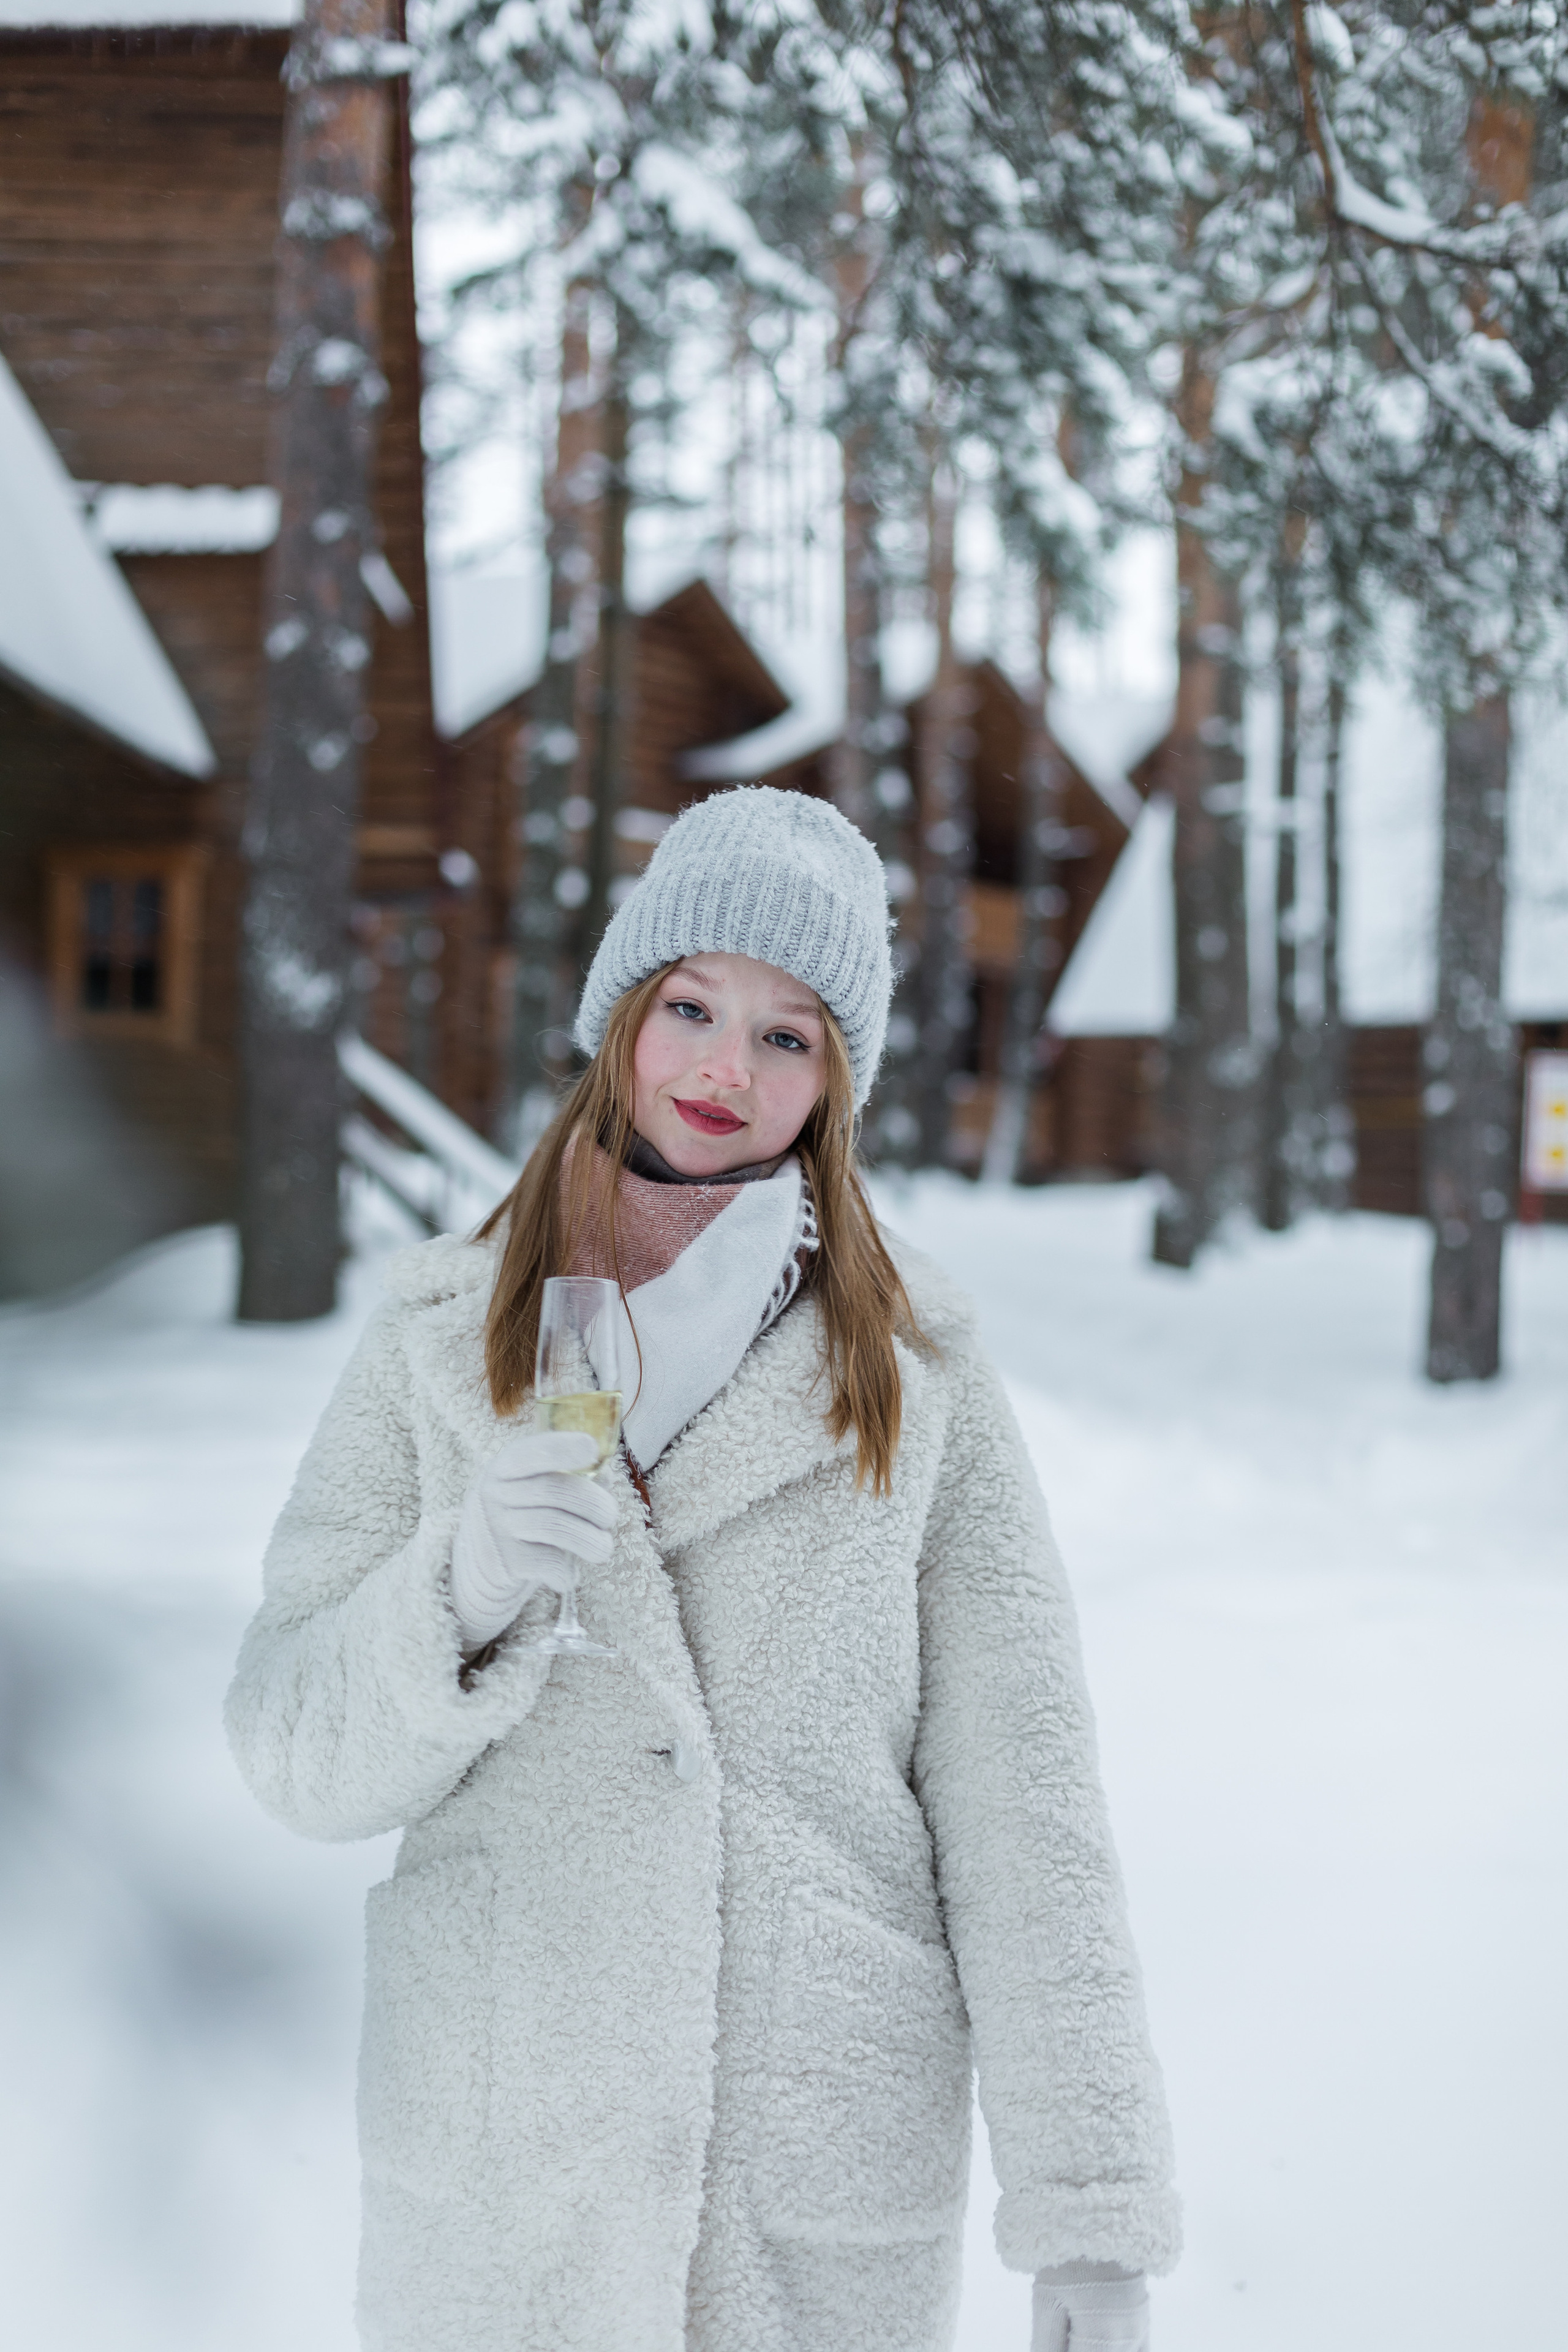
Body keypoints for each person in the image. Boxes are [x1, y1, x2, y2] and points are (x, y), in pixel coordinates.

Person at [226, 786, 1180, 2352]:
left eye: (788, 1034)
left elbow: (1029, 1803)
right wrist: (451, 1600)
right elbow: (286, 1748)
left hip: (811, 2179)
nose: (727, 1067)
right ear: (621, 1015)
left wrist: (1088, 2219)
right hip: (504, 2173)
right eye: (690, 1007)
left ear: (839, 1081)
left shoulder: (919, 1372)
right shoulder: (430, 1341)